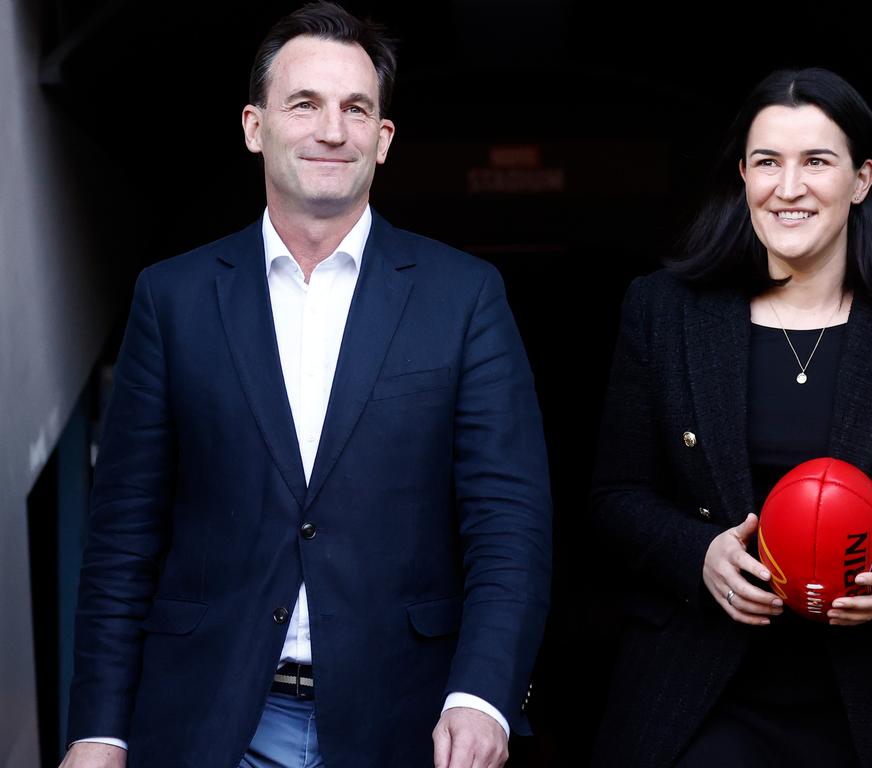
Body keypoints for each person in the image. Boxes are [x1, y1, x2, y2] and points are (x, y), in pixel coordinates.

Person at [60, 3, 552, 767]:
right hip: (212, 720)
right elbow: (124, 538)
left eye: (356, 109)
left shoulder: (465, 297)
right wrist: (98, 731)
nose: (332, 130)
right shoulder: (173, 299)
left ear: (382, 140)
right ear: (255, 127)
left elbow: (508, 526)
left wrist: (481, 693)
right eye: (306, 104)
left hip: (407, 720)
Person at [590, 67, 872, 768]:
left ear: (862, 179)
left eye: (817, 161)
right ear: (743, 178)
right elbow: (615, 496)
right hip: (704, 693)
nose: (789, 188)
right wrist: (698, 555)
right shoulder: (663, 310)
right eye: (767, 162)